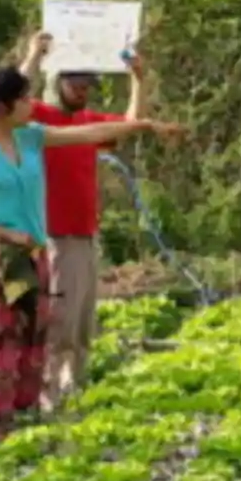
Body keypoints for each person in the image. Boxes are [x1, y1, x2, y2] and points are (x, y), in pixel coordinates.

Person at [0, 67, 178, 436]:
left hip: (36, 251)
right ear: (3, 106)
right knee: (4, 335)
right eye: (23, 98)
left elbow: (91, 132)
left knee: (36, 332)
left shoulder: (30, 137)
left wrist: (145, 125)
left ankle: (28, 413)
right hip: (5, 257)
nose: (30, 103)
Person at [20, 32, 153, 412]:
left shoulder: (88, 123)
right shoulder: (39, 121)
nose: (81, 91)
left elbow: (129, 124)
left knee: (81, 320)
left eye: (86, 86)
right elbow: (10, 100)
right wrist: (33, 56)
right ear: (57, 82)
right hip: (54, 235)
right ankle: (47, 394)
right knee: (57, 318)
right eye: (75, 84)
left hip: (84, 233)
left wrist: (139, 80)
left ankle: (73, 387)